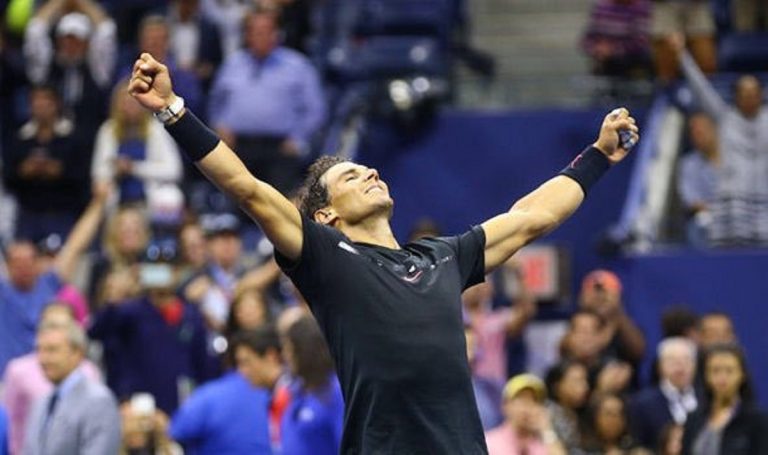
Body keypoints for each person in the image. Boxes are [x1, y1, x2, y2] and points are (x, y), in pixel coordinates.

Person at [128, 49, 639, 452]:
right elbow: (248, 188)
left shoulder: (442, 256)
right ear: (326, 216)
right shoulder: (324, 257)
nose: (370, 172)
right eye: (350, 176)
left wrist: (597, 158)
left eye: (367, 169)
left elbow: (532, 218)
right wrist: (175, 111)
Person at [208, 8, 326, 194]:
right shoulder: (233, 64)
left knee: (278, 210)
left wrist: (298, 138)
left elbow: (315, 109)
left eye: (266, 31)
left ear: (277, 34)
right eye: (255, 31)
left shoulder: (297, 65)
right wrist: (220, 126)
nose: (260, 36)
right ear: (247, 35)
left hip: (279, 149)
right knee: (235, 205)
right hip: (238, 147)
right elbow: (215, 102)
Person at [88, 248, 215, 414]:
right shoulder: (129, 311)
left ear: (177, 273)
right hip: (140, 406)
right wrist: (115, 299)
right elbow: (95, 332)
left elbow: (203, 365)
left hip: (183, 404)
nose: (160, 275)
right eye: (154, 269)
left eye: (166, 269)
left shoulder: (191, 314)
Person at [671, 33, 768, 246]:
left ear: (761, 95)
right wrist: (681, 55)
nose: (750, 98)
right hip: (732, 209)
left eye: (754, 93)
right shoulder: (725, 118)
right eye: (744, 93)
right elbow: (700, 88)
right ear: (736, 97)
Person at [0, 185, 108, 375]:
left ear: (36, 262)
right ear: (7, 266)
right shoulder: (4, 292)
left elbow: (76, 245)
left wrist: (98, 204)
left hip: (47, 376)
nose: (23, 268)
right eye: (16, 263)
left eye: (28, 262)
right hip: (6, 381)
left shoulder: (49, 283)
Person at [2, 304, 101, 455]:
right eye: (50, 325)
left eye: (63, 326)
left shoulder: (89, 371)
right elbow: (10, 423)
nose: (55, 332)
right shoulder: (18, 370)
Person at [169, 327, 279, 454]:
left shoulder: (210, 395)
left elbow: (174, 432)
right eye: (241, 363)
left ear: (271, 357)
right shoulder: (211, 396)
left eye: (247, 362)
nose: (244, 371)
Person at [2, 84, 90, 240]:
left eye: (46, 101)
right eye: (36, 102)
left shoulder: (73, 137)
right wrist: (24, 171)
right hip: (28, 214)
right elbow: (8, 177)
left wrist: (60, 171)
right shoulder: (19, 139)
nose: (41, 106)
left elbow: (83, 176)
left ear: (57, 104)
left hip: (62, 213)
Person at [22, 320, 121, 455]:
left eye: (52, 350)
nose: (43, 359)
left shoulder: (99, 401)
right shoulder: (40, 403)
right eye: (39, 350)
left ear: (77, 353)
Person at [23, 0, 116, 133]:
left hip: (88, 137)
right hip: (53, 142)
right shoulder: (45, 69)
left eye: (77, 41)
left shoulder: (97, 70)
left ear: (87, 44)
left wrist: (81, 3)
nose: (70, 46)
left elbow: (106, 30)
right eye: (65, 40)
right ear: (58, 41)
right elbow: (35, 31)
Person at [91, 78, 182, 208]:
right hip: (116, 201)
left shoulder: (156, 130)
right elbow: (98, 173)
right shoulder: (107, 131)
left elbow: (174, 170)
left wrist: (134, 168)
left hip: (150, 201)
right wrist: (116, 170)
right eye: (125, 103)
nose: (130, 107)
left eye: (134, 102)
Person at [681, 343, 768, 454]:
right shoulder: (693, 419)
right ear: (706, 375)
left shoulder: (757, 420)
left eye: (729, 371)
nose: (722, 378)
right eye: (715, 371)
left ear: (742, 375)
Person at [280, 314, 344, 455]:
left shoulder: (335, 393)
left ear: (305, 351)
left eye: (289, 349)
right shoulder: (296, 392)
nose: (285, 355)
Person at [630, 337, 699, 449]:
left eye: (686, 360)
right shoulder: (642, 403)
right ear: (660, 365)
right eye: (672, 361)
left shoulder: (706, 398)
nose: (680, 366)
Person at [484, 374, 567, 455]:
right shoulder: (489, 442)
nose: (527, 407)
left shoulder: (543, 444)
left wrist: (546, 430)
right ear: (505, 405)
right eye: (522, 400)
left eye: (534, 401)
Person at [677, 112, 719, 246]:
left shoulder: (735, 158)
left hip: (739, 216)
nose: (697, 136)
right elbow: (691, 201)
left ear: (713, 130)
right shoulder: (688, 164)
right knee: (700, 223)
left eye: (701, 131)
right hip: (709, 218)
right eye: (694, 133)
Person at [577, 393, 648, 454]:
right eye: (608, 414)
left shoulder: (633, 448)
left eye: (618, 414)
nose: (614, 420)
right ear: (596, 417)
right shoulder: (582, 448)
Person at [545, 360, 590, 451]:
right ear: (557, 386)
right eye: (577, 381)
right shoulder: (548, 414)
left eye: (585, 380)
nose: (585, 387)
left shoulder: (585, 412)